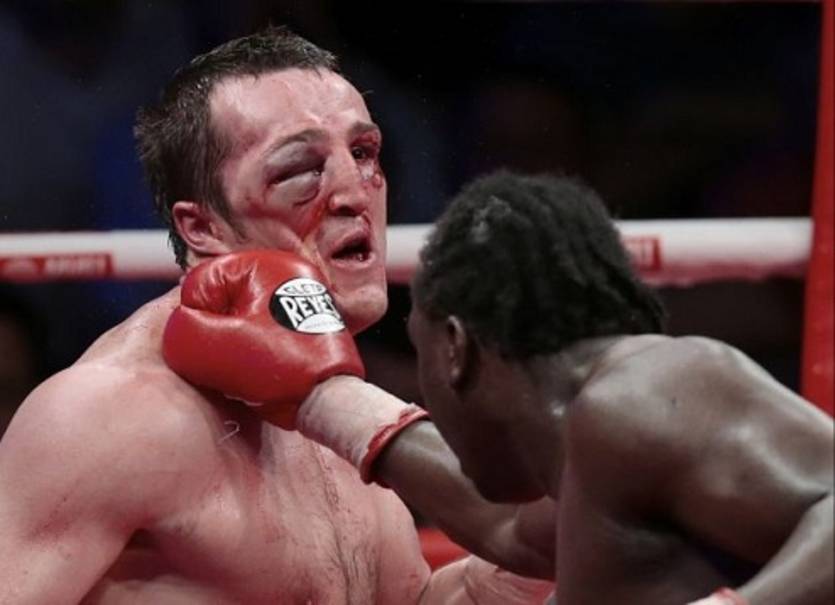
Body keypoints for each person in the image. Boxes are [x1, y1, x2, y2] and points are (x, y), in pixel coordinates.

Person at [0, 27, 556, 603]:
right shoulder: (106, 414)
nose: (354, 192)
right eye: (300, 169)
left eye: (363, 153)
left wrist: (508, 577)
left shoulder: (336, 403)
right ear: (202, 227)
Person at [403, 170, 834, 604]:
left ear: (455, 347)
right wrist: (361, 411)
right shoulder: (590, 469)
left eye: (421, 352)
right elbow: (505, 527)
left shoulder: (637, 393)